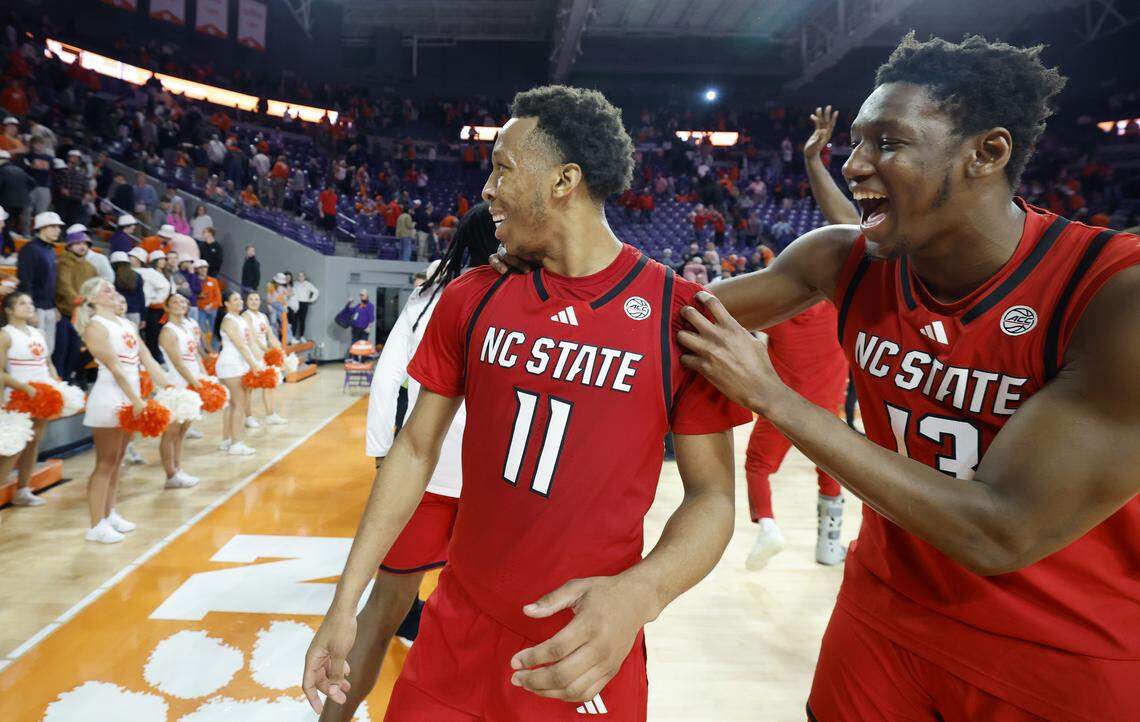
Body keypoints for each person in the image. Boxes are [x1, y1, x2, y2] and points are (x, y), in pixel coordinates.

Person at [676, 34, 1140, 721]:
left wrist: (771, 396)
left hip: (1063, 648)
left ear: (987, 153)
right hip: (884, 615)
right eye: (856, 142)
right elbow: (661, 317)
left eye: (887, 143)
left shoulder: (1110, 291)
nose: (856, 165)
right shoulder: (846, 258)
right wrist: (546, 269)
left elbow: (1001, 529)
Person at [304, 85, 750, 721]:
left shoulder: (674, 317)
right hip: (456, 629)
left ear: (564, 179)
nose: (487, 188)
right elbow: (415, 446)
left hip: (580, 647)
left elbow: (713, 498)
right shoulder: (475, 295)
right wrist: (343, 603)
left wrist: (643, 593)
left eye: (502, 168)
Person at [318, 204, 500, 722]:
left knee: (381, 613)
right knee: (483, 618)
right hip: (491, 485)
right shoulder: (516, 300)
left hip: (426, 475)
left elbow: (386, 380)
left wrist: (382, 456)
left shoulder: (429, 297)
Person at [742, 107, 860, 571]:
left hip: (784, 408)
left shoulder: (777, 313)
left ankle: (767, 525)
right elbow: (852, 232)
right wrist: (816, 161)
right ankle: (829, 544)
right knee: (829, 473)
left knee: (756, 466)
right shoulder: (838, 302)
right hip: (828, 408)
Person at [79, 277, 170, 543]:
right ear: (92, 298)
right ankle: (96, 525)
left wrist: (171, 386)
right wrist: (137, 399)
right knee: (105, 463)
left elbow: (147, 359)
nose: (112, 292)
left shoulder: (127, 324)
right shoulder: (95, 326)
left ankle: (110, 513)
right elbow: (115, 367)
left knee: (118, 461)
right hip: (109, 397)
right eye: (105, 290)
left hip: (130, 397)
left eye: (112, 288)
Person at [0, 291, 61, 507]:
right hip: (16, 396)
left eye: (31, 302)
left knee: (33, 443)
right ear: (8, 309)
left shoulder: (39, 333)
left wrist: (56, 384)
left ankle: (23, 490)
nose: (29, 306)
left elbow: (48, 364)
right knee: (12, 447)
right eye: (22, 303)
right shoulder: (5, 335)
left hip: (41, 396)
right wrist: (24, 387)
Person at [157, 292, 203, 489]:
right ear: (167, 307)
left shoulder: (186, 327)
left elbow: (195, 357)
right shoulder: (168, 331)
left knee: (183, 431)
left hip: (191, 383)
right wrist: (195, 382)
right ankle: (170, 474)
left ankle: (178, 469)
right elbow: (177, 363)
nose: (180, 304)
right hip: (176, 386)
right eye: (174, 302)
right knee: (171, 432)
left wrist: (203, 378)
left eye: (183, 301)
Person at [214, 290, 262, 456]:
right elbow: (241, 346)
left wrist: (259, 361)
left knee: (233, 404)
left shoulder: (240, 319)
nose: (240, 301)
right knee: (239, 404)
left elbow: (251, 343)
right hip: (231, 364)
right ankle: (236, 443)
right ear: (226, 303)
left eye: (240, 299)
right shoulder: (229, 320)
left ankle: (226, 440)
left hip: (239, 364)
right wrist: (254, 365)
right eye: (235, 299)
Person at [53, 226, 98, 383]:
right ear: (69, 246)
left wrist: (91, 306)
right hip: (64, 313)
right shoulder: (63, 262)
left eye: (85, 244)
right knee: (61, 351)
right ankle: (60, 383)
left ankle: (71, 381)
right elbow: (63, 285)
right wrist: (80, 302)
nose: (82, 246)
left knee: (76, 351)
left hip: (81, 315)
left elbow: (95, 288)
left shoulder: (90, 267)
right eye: (78, 243)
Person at [18, 212, 61, 354]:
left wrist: (54, 306)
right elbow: (25, 282)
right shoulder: (29, 249)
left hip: (48, 306)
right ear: (42, 228)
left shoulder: (51, 250)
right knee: (34, 350)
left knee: (49, 350)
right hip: (36, 307)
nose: (58, 230)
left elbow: (51, 282)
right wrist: (30, 310)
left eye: (58, 227)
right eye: (53, 226)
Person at [242, 292, 287, 427]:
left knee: (268, 385)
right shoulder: (245, 316)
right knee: (248, 387)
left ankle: (270, 415)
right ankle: (248, 418)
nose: (254, 302)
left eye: (257, 299)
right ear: (246, 302)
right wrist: (268, 351)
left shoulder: (263, 316)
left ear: (260, 302)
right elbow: (253, 338)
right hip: (251, 354)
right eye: (251, 299)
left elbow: (271, 335)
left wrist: (279, 350)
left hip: (263, 354)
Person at [137, 249, 172, 363]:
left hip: (165, 308)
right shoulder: (148, 272)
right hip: (153, 308)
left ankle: (159, 354)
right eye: (160, 259)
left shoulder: (166, 274)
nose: (163, 262)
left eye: (164, 259)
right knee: (153, 334)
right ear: (155, 261)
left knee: (162, 333)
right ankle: (153, 356)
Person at [0, 149, 33, 236]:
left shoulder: (2, 170)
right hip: (22, 200)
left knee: (7, 221)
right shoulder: (19, 169)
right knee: (15, 219)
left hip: (7, 200)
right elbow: (33, 182)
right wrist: (24, 191)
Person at [112, 250, 144, 327]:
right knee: (133, 336)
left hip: (116, 311)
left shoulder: (112, 276)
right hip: (134, 312)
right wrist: (143, 317)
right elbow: (141, 297)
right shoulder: (137, 276)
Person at [194, 260, 221, 351]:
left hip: (212, 308)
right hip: (200, 309)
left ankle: (215, 350)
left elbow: (218, 296)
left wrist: (212, 305)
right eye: (201, 268)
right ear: (197, 269)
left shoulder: (213, 281)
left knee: (215, 329)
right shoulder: (194, 281)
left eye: (205, 267)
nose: (203, 270)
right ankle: (202, 350)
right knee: (201, 330)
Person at [292, 271, 318, 342]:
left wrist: (311, 299)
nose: (300, 277)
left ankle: (301, 336)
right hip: (296, 303)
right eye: (299, 276)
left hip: (304, 303)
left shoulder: (308, 284)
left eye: (301, 276)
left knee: (302, 320)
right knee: (294, 320)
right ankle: (293, 337)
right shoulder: (295, 284)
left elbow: (316, 291)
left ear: (304, 277)